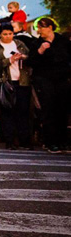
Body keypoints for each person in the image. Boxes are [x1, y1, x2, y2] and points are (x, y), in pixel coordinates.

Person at [27, 17, 70, 153]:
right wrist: (40, 51)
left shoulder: (63, 41)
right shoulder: (37, 43)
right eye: (38, 28)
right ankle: (50, 141)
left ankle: (63, 141)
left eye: (41, 27)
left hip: (61, 78)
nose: (39, 31)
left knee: (62, 108)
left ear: (50, 27)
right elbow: (31, 61)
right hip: (44, 79)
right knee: (48, 109)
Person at [0, 23, 31, 149]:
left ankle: (24, 140)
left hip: (21, 80)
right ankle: (10, 140)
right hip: (4, 81)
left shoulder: (19, 43)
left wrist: (23, 57)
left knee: (22, 111)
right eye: (5, 34)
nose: (8, 36)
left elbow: (30, 56)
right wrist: (8, 61)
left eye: (10, 34)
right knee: (7, 112)